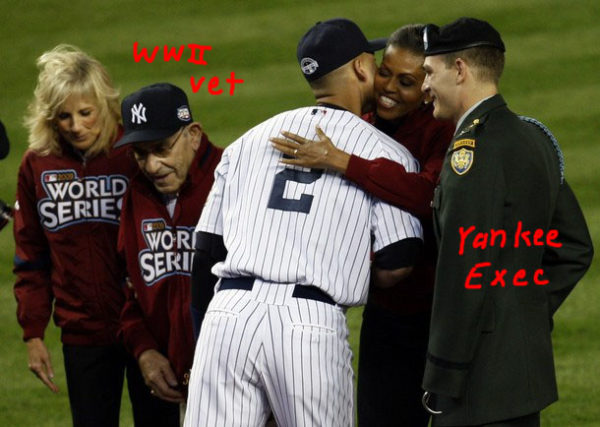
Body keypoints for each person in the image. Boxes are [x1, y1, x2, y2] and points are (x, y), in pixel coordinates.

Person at [184, 18, 424, 427]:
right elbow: (400, 257)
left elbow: (205, 250)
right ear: (362, 67)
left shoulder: (248, 140)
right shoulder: (384, 151)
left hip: (226, 316)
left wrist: (205, 342)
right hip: (307, 326)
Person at [270, 24, 455, 426]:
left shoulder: (442, 129)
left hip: (436, 313)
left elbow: (428, 194)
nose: (387, 86)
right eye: (385, 71)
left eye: (406, 81)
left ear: (428, 86)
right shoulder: (362, 121)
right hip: (385, 313)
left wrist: (343, 162)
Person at [417, 17, 594, 426]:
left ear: (459, 69)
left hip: (476, 384)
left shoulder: (470, 155)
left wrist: (442, 374)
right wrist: (522, 312)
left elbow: (463, 272)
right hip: (520, 376)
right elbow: (574, 247)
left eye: (430, 72)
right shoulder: (534, 138)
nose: (425, 86)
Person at [12, 45, 152, 427]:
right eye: (63, 116)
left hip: (147, 326)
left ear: (105, 104)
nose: (75, 126)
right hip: (82, 332)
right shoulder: (37, 165)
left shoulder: (138, 153)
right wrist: (33, 333)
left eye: (85, 113)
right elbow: (31, 253)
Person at [115, 82, 223, 426]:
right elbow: (128, 284)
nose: (151, 165)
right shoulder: (137, 195)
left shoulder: (232, 180)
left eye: (161, 148)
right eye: (140, 154)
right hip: (164, 381)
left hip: (231, 380)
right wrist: (143, 349)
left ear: (193, 134)